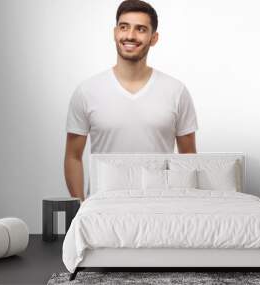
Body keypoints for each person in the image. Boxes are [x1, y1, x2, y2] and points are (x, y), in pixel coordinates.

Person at [64, 0, 199, 201]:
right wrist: (81, 206)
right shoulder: (87, 91)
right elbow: (73, 156)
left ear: (154, 38)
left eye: (141, 29)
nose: (130, 35)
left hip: (161, 207)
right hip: (104, 209)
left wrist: (182, 205)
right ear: (114, 33)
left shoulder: (176, 91)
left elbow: (188, 155)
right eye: (124, 27)